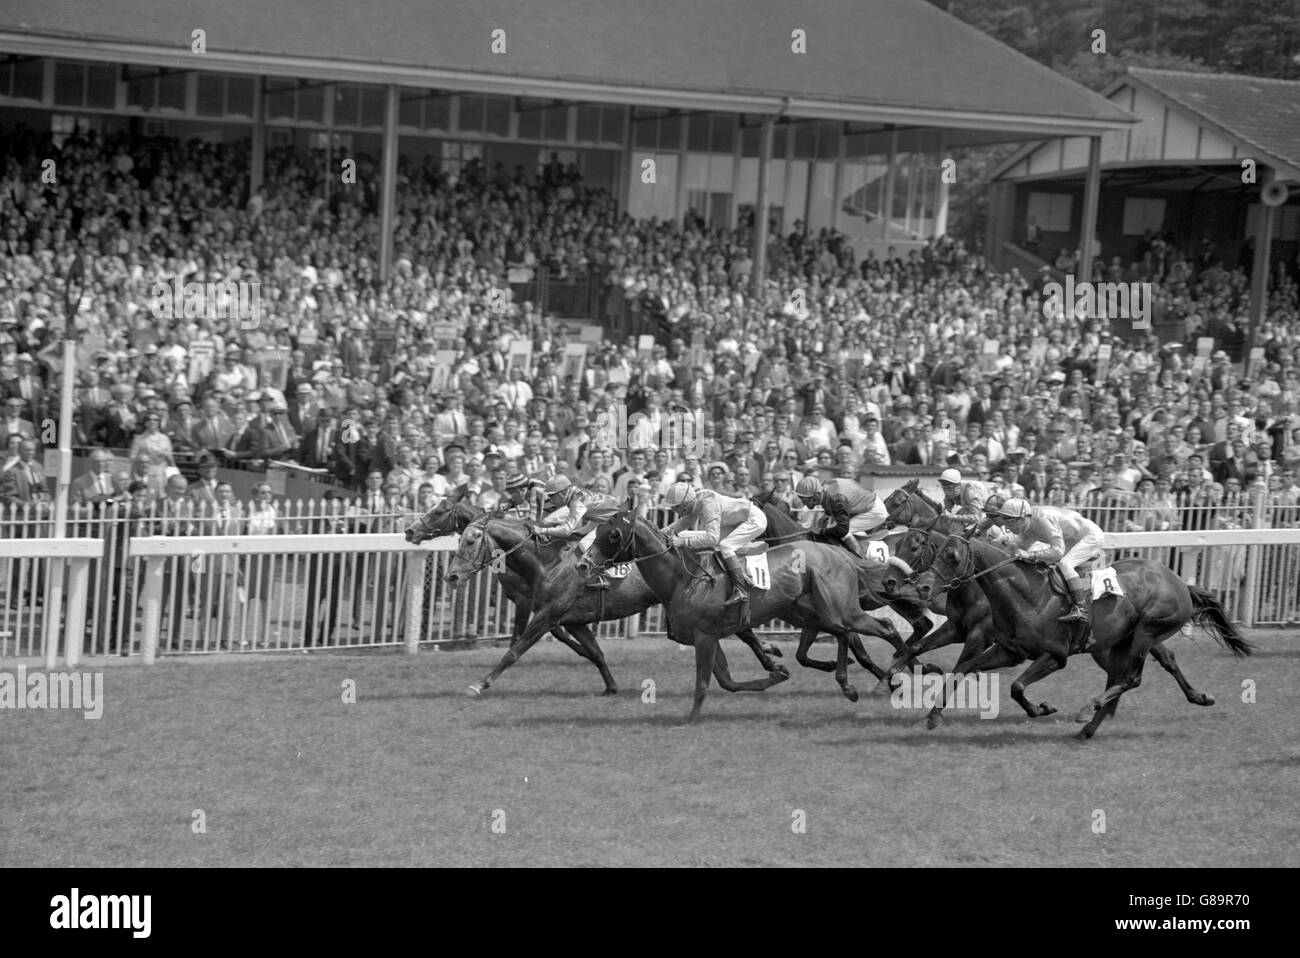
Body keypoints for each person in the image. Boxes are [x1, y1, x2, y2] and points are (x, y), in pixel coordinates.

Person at [995, 497, 1107, 649]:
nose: (1008, 526)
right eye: (1006, 521)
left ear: (1024, 517)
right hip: (1071, 537)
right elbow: (1018, 546)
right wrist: (999, 544)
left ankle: (1080, 608)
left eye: (1012, 521)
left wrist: (1030, 555)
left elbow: (1057, 552)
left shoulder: (1042, 520)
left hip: (1089, 536)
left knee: (1065, 564)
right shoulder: (1028, 525)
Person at [662, 481, 767, 606]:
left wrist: (682, 542)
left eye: (675, 507)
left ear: (685, 504)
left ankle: (741, 588)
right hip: (736, 521)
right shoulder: (695, 501)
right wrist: (661, 533)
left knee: (726, 546)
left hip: (754, 520)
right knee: (687, 536)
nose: (673, 510)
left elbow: (712, 538)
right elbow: (684, 523)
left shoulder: (708, 504)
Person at [793, 475, 888, 560]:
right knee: (829, 526)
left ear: (815, 496)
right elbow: (829, 505)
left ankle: (862, 562)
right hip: (860, 504)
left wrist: (821, 531)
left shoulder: (836, 498)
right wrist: (827, 516)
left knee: (845, 532)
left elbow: (842, 529)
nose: (802, 502)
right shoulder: (824, 490)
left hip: (874, 511)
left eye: (803, 498)